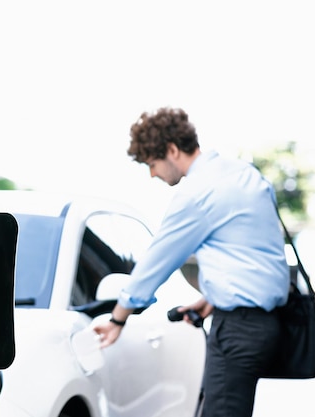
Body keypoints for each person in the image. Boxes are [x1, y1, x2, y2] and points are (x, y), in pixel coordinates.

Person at [93, 107, 290, 417]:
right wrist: (211, 299)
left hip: (237, 329)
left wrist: (118, 319)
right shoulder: (245, 174)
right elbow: (253, 252)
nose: (152, 174)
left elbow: (156, 262)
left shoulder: (197, 194)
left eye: (152, 164)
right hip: (266, 325)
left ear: (172, 150)